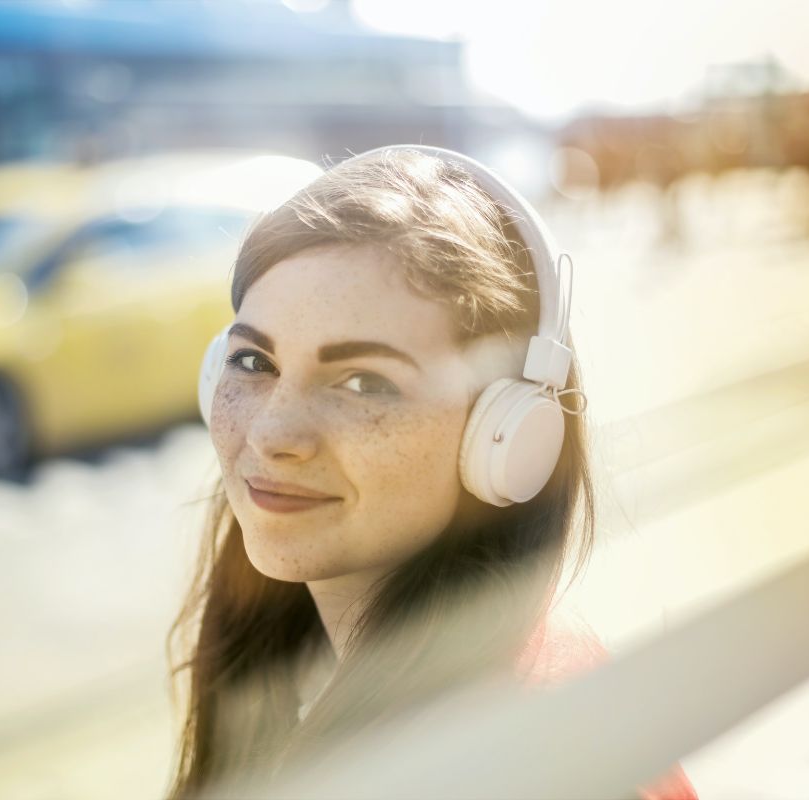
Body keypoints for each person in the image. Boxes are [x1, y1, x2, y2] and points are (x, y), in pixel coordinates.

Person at [167, 145, 697, 799]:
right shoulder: (288, 665)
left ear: (503, 436)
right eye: (253, 363)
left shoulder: (538, 758)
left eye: (364, 382)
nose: (273, 435)